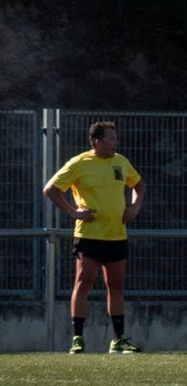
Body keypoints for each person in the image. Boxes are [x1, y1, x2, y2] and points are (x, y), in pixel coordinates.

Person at [42, 121, 146, 354]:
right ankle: (77, 338)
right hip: (89, 235)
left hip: (117, 235)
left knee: (116, 286)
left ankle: (119, 340)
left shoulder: (121, 162)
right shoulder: (79, 163)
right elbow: (50, 189)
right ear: (96, 141)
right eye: (111, 139)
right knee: (83, 283)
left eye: (116, 138)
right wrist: (74, 212)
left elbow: (139, 185)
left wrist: (134, 206)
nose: (115, 143)